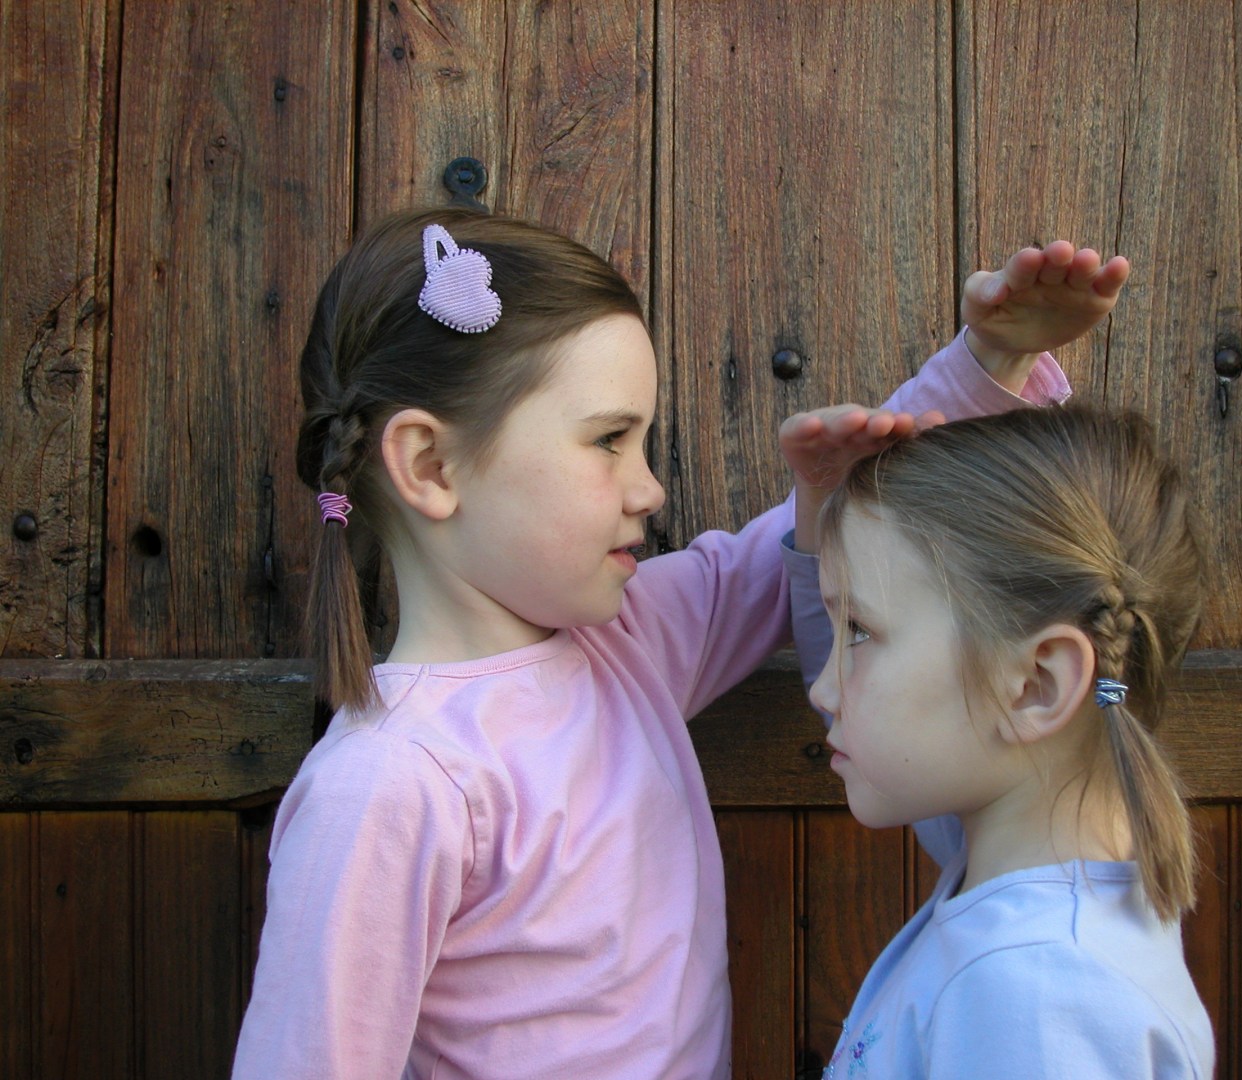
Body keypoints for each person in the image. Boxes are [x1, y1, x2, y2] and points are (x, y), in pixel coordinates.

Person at [230, 203, 1099, 1079]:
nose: (648, 489)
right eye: (609, 440)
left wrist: (986, 365)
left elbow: (785, 551)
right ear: (429, 465)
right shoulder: (386, 785)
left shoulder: (625, 644)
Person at [782, 388, 1215, 1072]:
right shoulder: (1015, 865)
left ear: (1036, 683)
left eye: (859, 630)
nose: (824, 690)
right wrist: (820, 508)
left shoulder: (1037, 998)